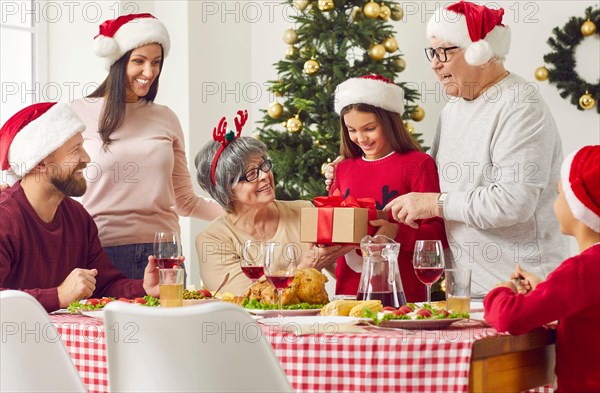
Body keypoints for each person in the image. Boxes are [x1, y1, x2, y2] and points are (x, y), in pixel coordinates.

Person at [380, 1, 567, 297]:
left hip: (523, 291)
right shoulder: (453, 108)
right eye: (432, 52)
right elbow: (431, 178)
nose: (435, 64)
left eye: (445, 51)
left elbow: (512, 202)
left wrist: (434, 204)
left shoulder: (520, 105)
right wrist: (365, 167)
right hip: (467, 291)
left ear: (481, 53)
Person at [68, 13, 223, 279]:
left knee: (173, 322)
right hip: (101, 252)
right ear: (118, 62)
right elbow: (50, 179)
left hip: (165, 253)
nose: (149, 72)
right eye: (138, 61)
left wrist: (246, 212)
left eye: (156, 62)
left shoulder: (166, 118)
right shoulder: (76, 113)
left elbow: (185, 201)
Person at [0, 102, 159, 312]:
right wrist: (58, 295)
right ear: (40, 163)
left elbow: (105, 285)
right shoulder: (5, 219)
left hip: (67, 342)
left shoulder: (78, 217)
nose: (87, 158)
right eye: (76, 149)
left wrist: (145, 288)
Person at [194, 110, 353, 295]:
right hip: (248, 325)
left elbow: (350, 271)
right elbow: (248, 301)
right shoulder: (213, 240)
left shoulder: (305, 211)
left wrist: (352, 170)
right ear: (226, 189)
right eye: (252, 173)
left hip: (313, 321)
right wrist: (308, 266)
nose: (264, 176)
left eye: (263, 166)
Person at [484, 145, 600, 392]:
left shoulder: (580, 269)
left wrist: (501, 291)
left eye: (559, 193)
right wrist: (545, 290)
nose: (554, 202)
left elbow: (510, 318)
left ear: (578, 205)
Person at [330, 74, 448, 302]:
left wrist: (397, 233)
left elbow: (439, 235)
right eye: (351, 130)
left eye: (369, 128)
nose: (360, 138)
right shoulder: (343, 169)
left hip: (402, 296)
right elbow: (333, 223)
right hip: (349, 294)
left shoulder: (418, 165)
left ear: (389, 123)